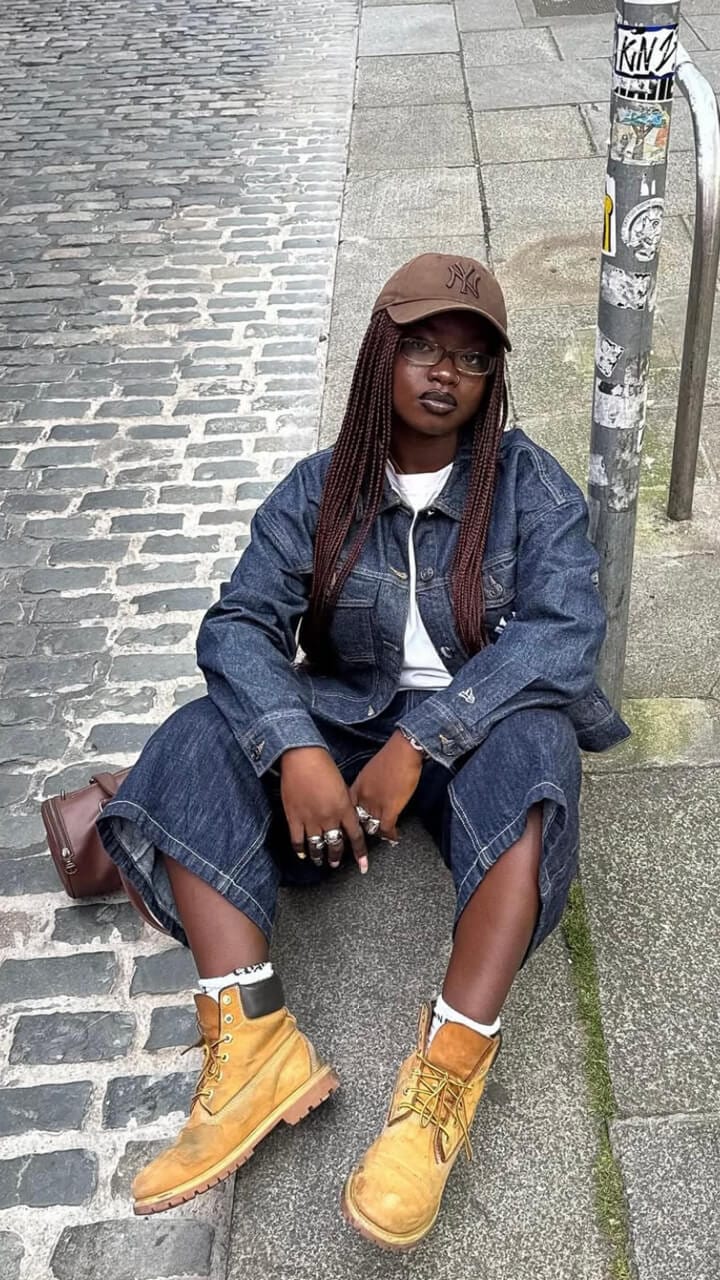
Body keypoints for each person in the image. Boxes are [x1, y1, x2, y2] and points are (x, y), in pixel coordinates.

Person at [97, 253, 629, 1250]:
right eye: (423, 345)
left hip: (479, 726)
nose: (445, 372)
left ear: (493, 380)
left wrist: (425, 738)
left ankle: (443, 1078)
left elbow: (563, 634)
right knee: (202, 730)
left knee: (542, 749)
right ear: (381, 353)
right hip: (345, 713)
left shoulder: (529, 486)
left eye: (472, 358)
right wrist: (298, 748)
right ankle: (253, 1040)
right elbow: (239, 626)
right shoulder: (321, 488)